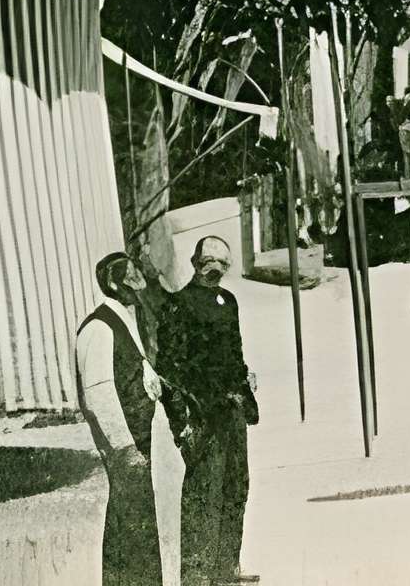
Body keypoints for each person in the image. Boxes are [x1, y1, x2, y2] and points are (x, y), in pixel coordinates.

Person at [159, 236, 261, 586]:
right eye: (208, 261)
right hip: (203, 414)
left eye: (222, 263)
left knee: (236, 486)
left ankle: (227, 567)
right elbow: (170, 369)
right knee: (204, 493)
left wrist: (244, 378)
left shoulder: (228, 301)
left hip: (232, 410)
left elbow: (234, 351)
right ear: (195, 263)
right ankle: (198, 576)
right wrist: (183, 419)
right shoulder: (178, 304)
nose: (215, 268)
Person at [75, 251, 167, 586]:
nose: (137, 281)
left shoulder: (124, 318)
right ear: (113, 283)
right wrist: (125, 447)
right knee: (130, 525)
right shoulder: (99, 327)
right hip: (126, 447)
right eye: (130, 275)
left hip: (139, 441)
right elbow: (98, 394)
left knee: (137, 523)